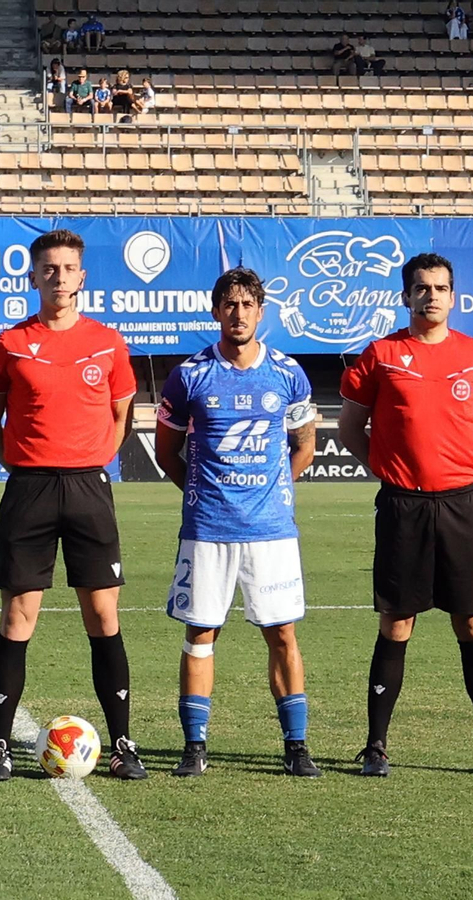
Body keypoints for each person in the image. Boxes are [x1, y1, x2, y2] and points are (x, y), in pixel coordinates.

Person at [336, 252, 473, 780]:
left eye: (440, 287)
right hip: (402, 507)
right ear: (406, 296)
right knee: (396, 624)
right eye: (421, 288)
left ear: (452, 296)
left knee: (472, 623)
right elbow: (351, 428)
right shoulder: (382, 354)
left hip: (460, 505)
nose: (431, 295)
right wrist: (392, 472)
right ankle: (375, 746)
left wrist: (457, 468)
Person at [0, 229, 143, 782]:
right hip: (30, 489)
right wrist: (25, 463)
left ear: (82, 276)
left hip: (89, 488)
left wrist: (91, 462)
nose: (59, 277)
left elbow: (120, 417)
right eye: (49, 268)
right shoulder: (9, 344)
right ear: (34, 276)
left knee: (103, 614)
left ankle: (122, 743)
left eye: (68, 268)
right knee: (19, 615)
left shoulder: (107, 343)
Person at [154, 267, 321, 778]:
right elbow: (168, 454)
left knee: (283, 635)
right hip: (208, 531)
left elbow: (305, 446)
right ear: (215, 311)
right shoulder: (189, 375)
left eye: (248, 304)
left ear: (261, 312)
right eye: (229, 304)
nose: (239, 313)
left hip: (270, 531)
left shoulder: (288, 373)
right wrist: (207, 496)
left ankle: (296, 747)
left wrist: (274, 493)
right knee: (200, 634)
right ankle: (194, 747)